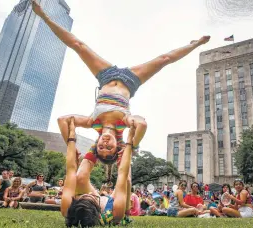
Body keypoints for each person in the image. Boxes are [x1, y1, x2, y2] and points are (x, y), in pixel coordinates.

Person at [31, 0, 210, 172]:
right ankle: (194, 44)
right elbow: (142, 124)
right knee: (164, 59)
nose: (104, 144)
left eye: (101, 147)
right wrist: (131, 146)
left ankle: (44, 17)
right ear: (118, 146)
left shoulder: (92, 122)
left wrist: (71, 143)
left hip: (105, 76)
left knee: (79, 46)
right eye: (109, 148)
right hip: (131, 80)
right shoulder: (123, 123)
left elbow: (62, 120)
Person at [61, 117, 136, 227]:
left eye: (82, 195)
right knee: (127, 181)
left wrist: (72, 136)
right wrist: (129, 142)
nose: (92, 193)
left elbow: (71, 169)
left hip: (87, 206)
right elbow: (122, 174)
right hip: (110, 205)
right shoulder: (114, 213)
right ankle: (104, 146)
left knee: (80, 177)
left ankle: (97, 147)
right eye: (93, 197)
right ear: (99, 213)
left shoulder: (67, 208)